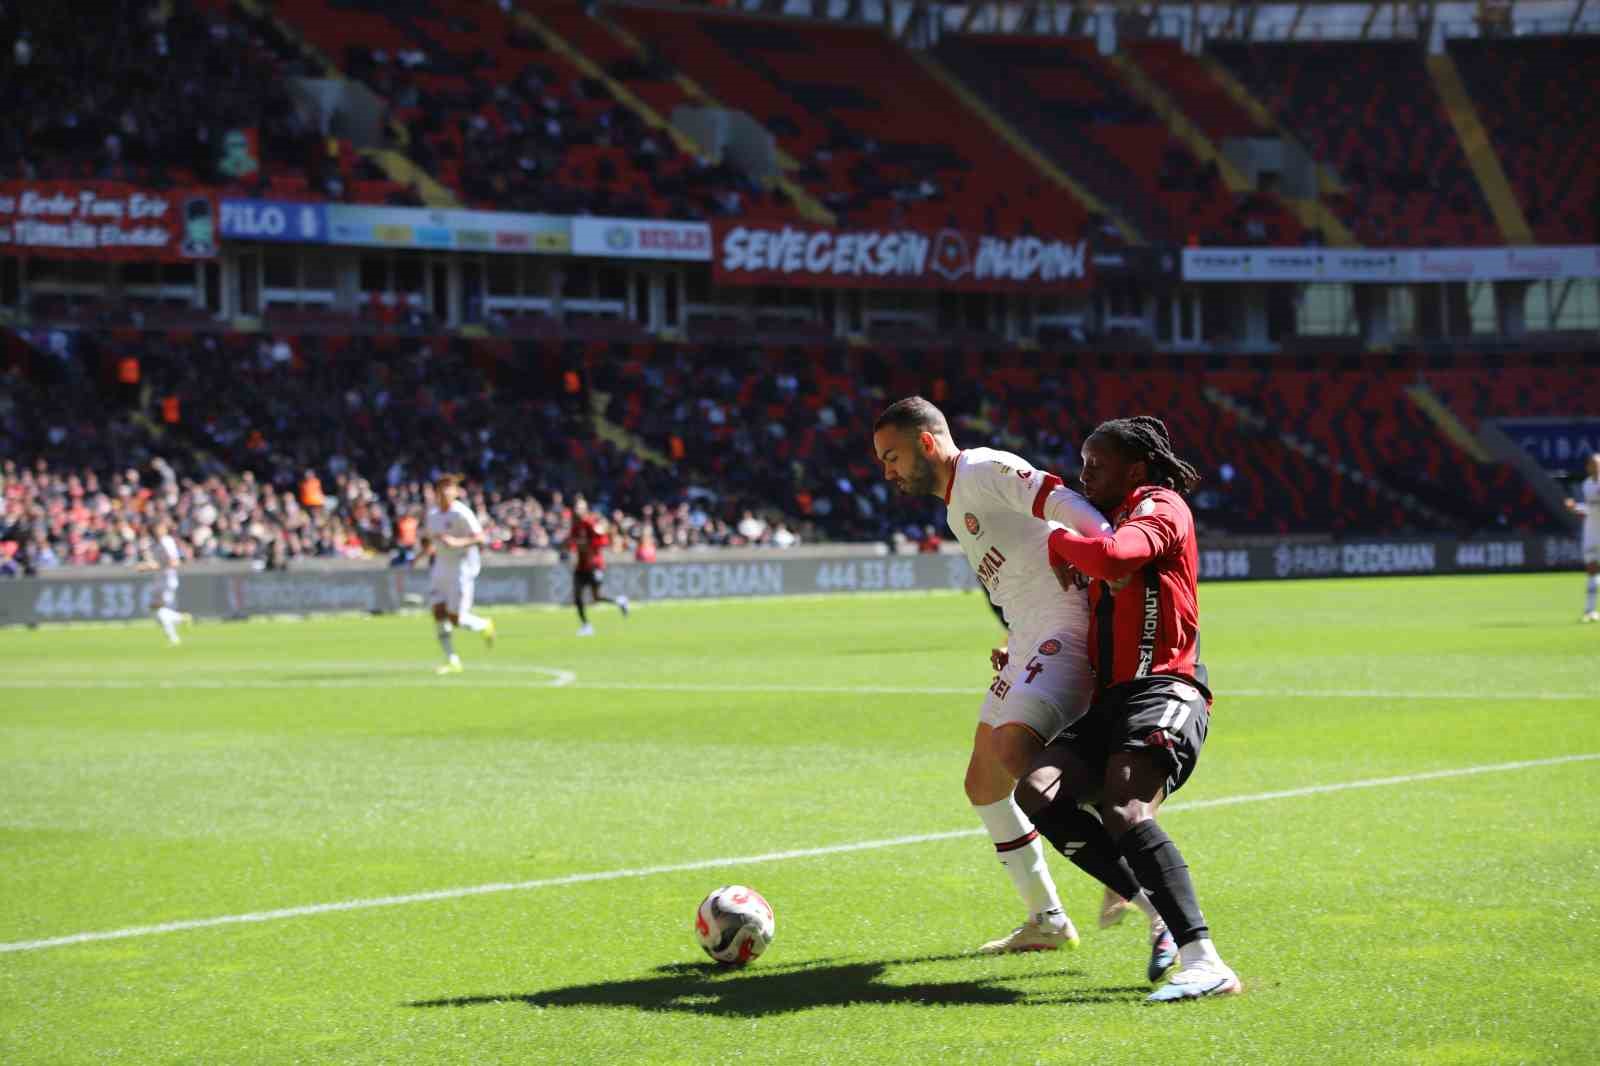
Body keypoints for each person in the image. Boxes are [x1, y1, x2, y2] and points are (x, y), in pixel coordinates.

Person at [873, 396, 1110, 954]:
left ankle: (1148, 895)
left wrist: (1108, 558)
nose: (887, 471)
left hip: (1064, 630)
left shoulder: (983, 470)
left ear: (926, 443)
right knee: (984, 784)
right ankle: (1048, 919)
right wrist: (1016, 637)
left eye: (892, 456)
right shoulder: (958, 504)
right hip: (1031, 635)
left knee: (1026, 761)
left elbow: (1064, 501)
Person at [1019, 415, 1241, 1001]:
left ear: (1135, 470)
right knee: (1036, 791)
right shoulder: (1106, 522)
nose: (1083, 474)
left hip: (1168, 687)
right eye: (1083, 462)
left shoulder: (1161, 506)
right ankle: (1154, 909)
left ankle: (1206, 959)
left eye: (1097, 464)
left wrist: (1060, 541)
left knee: (1125, 804)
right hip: (1112, 700)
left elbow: (1117, 559)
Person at [420, 475, 494, 675]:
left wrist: (456, 542)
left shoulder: (462, 513)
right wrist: (419, 556)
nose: (445, 492)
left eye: (449, 488)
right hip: (441, 568)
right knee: (437, 612)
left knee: (455, 618)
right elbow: (429, 538)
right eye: (441, 488)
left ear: (455, 492)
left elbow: (480, 537)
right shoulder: (433, 514)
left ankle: (484, 624)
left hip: (461, 568)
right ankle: (452, 660)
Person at [569, 497, 628, 637]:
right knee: (577, 596)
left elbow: (602, 541)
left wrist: (588, 544)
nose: (578, 511)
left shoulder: (590, 523)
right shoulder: (575, 526)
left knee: (597, 597)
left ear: (585, 509)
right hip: (581, 565)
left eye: (581, 508)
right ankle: (586, 626)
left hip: (594, 565)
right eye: (576, 508)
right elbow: (572, 543)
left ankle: (620, 600)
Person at [136, 519, 192, 646]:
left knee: (160, 611)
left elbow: (174, 562)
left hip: (167, 580)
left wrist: (152, 566)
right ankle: (174, 635)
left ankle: (179, 623)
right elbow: (158, 563)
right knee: (155, 610)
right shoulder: (156, 543)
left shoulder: (166, 542)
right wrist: (148, 565)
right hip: (160, 579)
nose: (162, 529)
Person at [1564, 453, 1599, 622]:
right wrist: (1575, 507)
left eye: (1599, 464)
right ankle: (1590, 611)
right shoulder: (1586, 485)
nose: (1597, 467)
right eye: (1594, 464)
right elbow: (1591, 510)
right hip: (1591, 533)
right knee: (1592, 571)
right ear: (1588, 467)